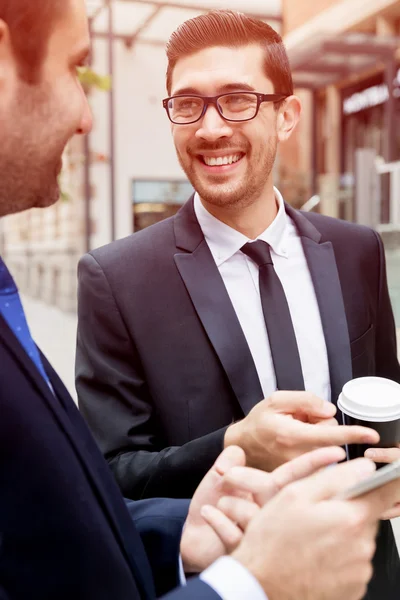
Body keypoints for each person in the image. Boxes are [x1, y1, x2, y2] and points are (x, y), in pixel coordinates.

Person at [2, 2, 397, 599]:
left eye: (238, 99)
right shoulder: (115, 278)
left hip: (367, 566)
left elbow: (383, 393)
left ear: (287, 115)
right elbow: (110, 478)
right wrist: (233, 443)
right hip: (223, 573)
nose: (211, 127)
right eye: (188, 104)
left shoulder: (357, 249)